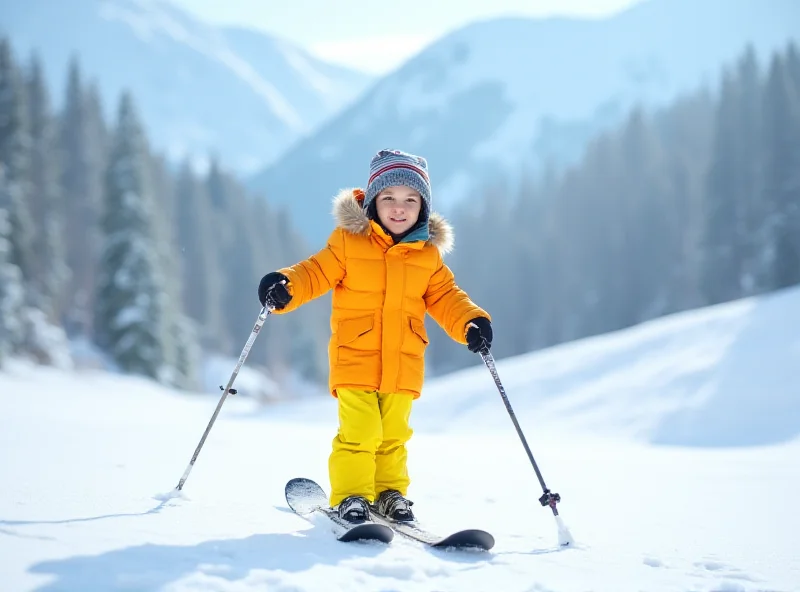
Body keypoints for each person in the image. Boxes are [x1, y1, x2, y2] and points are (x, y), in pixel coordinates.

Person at [258, 149, 493, 524]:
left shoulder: (428, 255)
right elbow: (315, 272)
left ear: (423, 207)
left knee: (393, 435)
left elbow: (448, 297)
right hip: (356, 356)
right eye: (389, 199)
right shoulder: (349, 242)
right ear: (372, 202)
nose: (399, 209)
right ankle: (352, 494)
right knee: (361, 431)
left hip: (403, 362)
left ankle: (389, 493)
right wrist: (287, 285)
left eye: (409, 201)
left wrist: (471, 321)